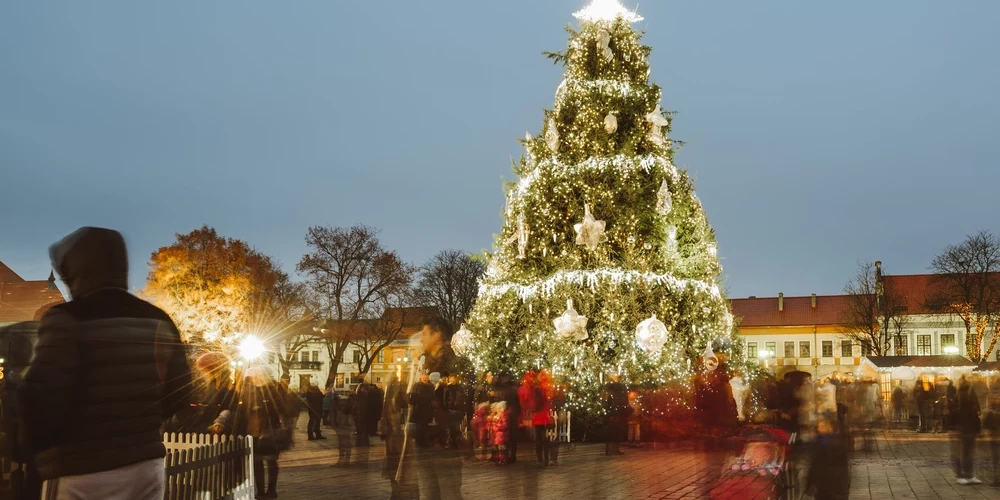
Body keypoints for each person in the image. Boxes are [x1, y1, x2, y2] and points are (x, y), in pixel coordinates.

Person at [20, 227, 193, 499]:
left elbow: (42, 400)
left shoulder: (66, 319)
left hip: (80, 468)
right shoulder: (158, 319)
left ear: (78, 270)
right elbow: (181, 391)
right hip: (145, 465)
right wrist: (139, 424)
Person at [243, 369, 286, 499]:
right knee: (259, 461)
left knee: (269, 460)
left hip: (268, 430)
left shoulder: (270, 391)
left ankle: (270, 490)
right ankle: (262, 490)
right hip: (255, 430)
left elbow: (279, 408)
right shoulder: (250, 390)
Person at [955, 376, 983, 485]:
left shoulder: (960, 397)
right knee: (966, 452)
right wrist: (978, 428)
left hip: (964, 427)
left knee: (966, 452)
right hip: (967, 428)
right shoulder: (966, 398)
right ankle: (964, 474)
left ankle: (966, 474)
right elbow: (974, 414)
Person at [603, 373, 628, 456]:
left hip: (616, 411)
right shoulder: (611, 388)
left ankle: (613, 449)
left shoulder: (613, 388)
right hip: (614, 412)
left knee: (615, 431)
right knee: (613, 431)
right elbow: (606, 401)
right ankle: (612, 449)